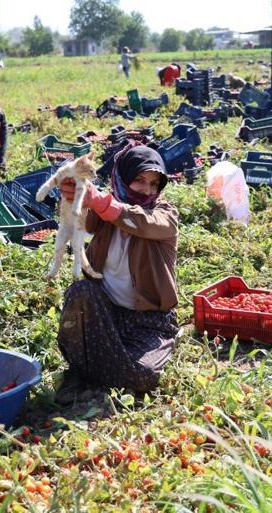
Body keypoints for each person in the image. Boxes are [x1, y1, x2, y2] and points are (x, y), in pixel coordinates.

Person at [54, 145, 179, 404]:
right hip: (107, 312)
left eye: (154, 183)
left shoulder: (164, 214)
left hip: (148, 321)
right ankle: (86, 369)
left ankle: (91, 372)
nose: (148, 190)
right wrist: (74, 196)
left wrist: (102, 202)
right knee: (81, 291)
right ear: (122, 180)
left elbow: (143, 223)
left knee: (143, 375)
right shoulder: (103, 211)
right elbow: (79, 220)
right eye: (139, 181)